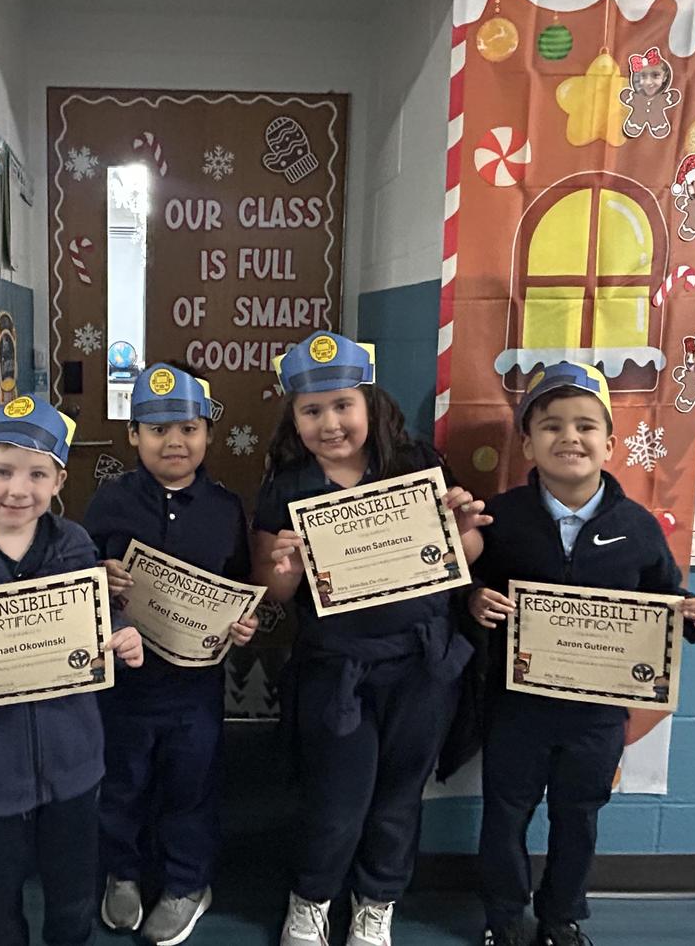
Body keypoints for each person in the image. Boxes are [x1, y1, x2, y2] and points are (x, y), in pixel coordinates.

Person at [465, 363, 695, 946]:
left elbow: (667, 603)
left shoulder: (637, 527)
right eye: (551, 426)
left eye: (586, 426)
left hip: (597, 714)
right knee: (505, 814)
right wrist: (473, 601)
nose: (570, 437)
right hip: (517, 706)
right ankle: (504, 917)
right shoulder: (502, 518)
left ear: (610, 443)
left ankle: (560, 916)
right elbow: (465, 586)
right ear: (527, 441)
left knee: (578, 816)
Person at [252, 331, 488, 946]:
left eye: (342, 406)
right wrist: (287, 566)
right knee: (336, 799)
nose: (329, 423)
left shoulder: (418, 466)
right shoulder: (287, 486)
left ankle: (376, 901)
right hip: (337, 671)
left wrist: (462, 528)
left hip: (421, 664)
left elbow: (464, 557)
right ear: (293, 416)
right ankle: (312, 898)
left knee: (398, 796)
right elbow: (273, 593)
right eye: (311, 410)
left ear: (369, 403)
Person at [0, 396, 146, 946]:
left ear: (59, 480)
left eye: (37, 474)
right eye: (2, 471)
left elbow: (100, 618)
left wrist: (124, 634)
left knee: (71, 895)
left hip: (73, 760)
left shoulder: (76, 544)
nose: (18, 489)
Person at [83, 363, 259, 945]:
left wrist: (243, 624)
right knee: (122, 782)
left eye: (187, 427)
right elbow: (77, 587)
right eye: (156, 429)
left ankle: (188, 884)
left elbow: (239, 585)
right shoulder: (107, 502)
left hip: (194, 688)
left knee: (192, 784)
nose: (174, 441)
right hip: (124, 685)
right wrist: (97, 579)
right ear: (133, 435)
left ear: (207, 432)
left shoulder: (227, 507)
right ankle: (123, 873)